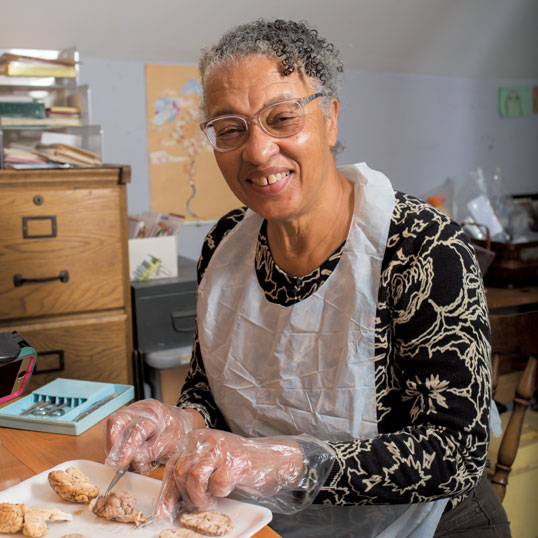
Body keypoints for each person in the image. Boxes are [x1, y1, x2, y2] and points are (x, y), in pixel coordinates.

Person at [105, 19, 511, 537]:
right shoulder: (225, 244)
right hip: (272, 522)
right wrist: (179, 423)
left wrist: (286, 462)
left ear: (331, 118)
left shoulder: (421, 246)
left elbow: (456, 449)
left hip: (428, 526)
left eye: (281, 118)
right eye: (230, 129)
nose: (256, 151)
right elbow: (209, 391)